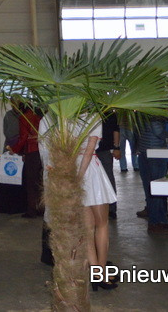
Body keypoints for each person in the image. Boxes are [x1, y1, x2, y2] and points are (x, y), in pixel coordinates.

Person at [40, 112, 117, 289]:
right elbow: (89, 151)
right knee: (101, 225)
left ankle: (95, 272)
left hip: (71, 168)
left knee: (87, 228)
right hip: (90, 172)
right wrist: (79, 178)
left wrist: (73, 178)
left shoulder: (62, 116)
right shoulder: (93, 116)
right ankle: (101, 273)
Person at [135, 114, 168, 232]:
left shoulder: (141, 112)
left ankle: (155, 218)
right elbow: (158, 131)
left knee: (150, 188)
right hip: (156, 152)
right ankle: (158, 222)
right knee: (158, 189)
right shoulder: (155, 113)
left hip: (144, 150)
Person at [95, 112, 120, 219]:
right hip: (91, 150)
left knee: (108, 177)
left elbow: (116, 130)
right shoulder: (89, 112)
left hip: (104, 150)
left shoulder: (109, 113)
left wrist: (116, 147)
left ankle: (111, 208)